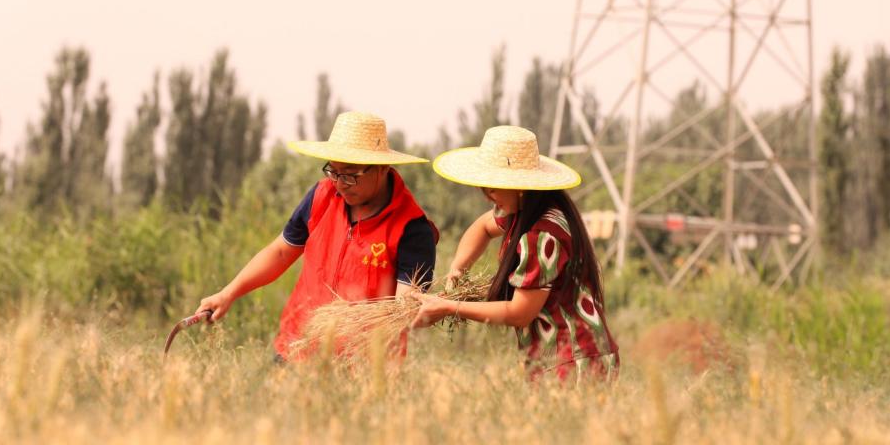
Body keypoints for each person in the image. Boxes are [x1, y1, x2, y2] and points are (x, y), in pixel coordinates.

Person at [195, 111, 438, 361]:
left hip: (363, 368)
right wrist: (228, 293)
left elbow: (402, 311)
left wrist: (346, 323)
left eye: (350, 175)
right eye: (333, 172)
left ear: (382, 168)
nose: (340, 184)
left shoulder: (412, 229)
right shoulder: (322, 196)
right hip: (296, 349)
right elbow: (280, 253)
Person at [412, 125, 619, 381]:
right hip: (560, 358)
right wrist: (457, 269)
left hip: (575, 361)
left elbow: (520, 313)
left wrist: (449, 307)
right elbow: (481, 228)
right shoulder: (521, 212)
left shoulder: (541, 236)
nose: (487, 197)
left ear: (518, 186)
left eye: (492, 188)